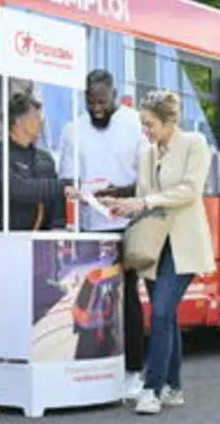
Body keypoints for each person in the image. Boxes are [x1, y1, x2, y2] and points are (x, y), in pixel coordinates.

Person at [101, 90, 216, 415]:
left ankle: (151, 389)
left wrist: (145, 201)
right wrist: (122, 205)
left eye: (149, 124)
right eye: (142, 124)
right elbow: (144, 196)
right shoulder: (147, 153)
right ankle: (174, 387)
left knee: (162, 312)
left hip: (183, 244)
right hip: (153, 245)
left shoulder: (194, 144)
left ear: (169, 121)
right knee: (168, 315)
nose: (145, 130)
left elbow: (190, 191)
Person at [58, 69, 148, 400]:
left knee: (128, 299)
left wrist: (120, 194)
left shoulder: (135, 123)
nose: (96, 108)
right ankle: (92, 372)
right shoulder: (72, 129)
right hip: (89, 227)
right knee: (91, 300)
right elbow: (67, 177)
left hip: (128, 224)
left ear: (115, 95)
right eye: (91, 101)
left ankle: (134, 372)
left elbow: (148, 177)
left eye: (102, 101)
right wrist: (73, 191)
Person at [0, 92, 78, 231]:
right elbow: (19, 189)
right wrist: (62, 187)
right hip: (3, 241)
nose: (41, 122)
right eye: (36, 117)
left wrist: (58, 228)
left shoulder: (45, 159)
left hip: (41, 242)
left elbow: (56, 205)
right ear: (18, 122)